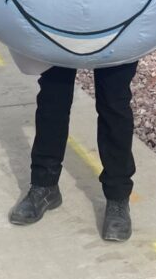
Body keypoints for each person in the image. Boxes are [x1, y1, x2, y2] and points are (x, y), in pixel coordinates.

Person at [8, 62, 139, 242]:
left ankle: (118, 197)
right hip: (60, 35)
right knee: (53, 97)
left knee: (114, 100)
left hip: (116, 36)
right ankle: (45, 185)